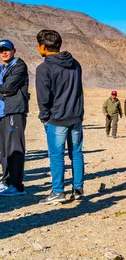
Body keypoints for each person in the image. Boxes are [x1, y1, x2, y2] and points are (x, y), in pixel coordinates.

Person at [35, 29, 85, 204]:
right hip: (76, 117)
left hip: (57, 119)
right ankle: (78, 189)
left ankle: (57, 191)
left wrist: (44, 117)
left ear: (43, 46)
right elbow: (79, 90)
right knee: (76, 153)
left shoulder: (44, 68)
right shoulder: (75, 63)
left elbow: (43, 97)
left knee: (56, 155)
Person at [0, 39, 29, 197]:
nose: (4, 53)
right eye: (1, 50)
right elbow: (4, 90)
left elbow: (8, 87)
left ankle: (17, 186)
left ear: (14, 50)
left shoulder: (19, 66)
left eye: (7, 49)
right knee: (4, 150)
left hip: (14, 111)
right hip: (2, 112)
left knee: (15, 149)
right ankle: (6, 182)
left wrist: (5, 91)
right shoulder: (2, 68)